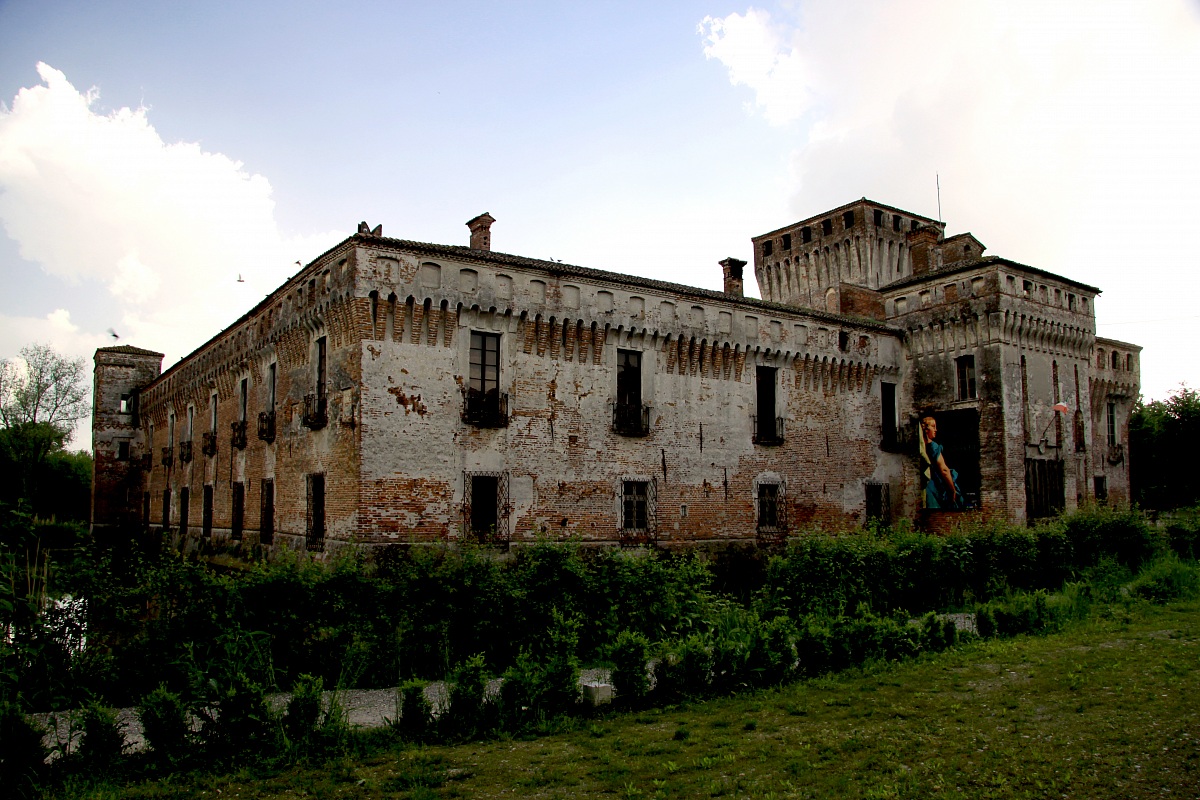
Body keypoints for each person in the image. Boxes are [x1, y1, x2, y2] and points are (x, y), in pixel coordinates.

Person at [919, 415, 962, 509]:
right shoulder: (933, 447)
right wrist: (952, 490)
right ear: (926, 429)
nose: (936, 430)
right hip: (934, 487)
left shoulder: (920, 446)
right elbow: (944, 470)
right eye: (933, 426)